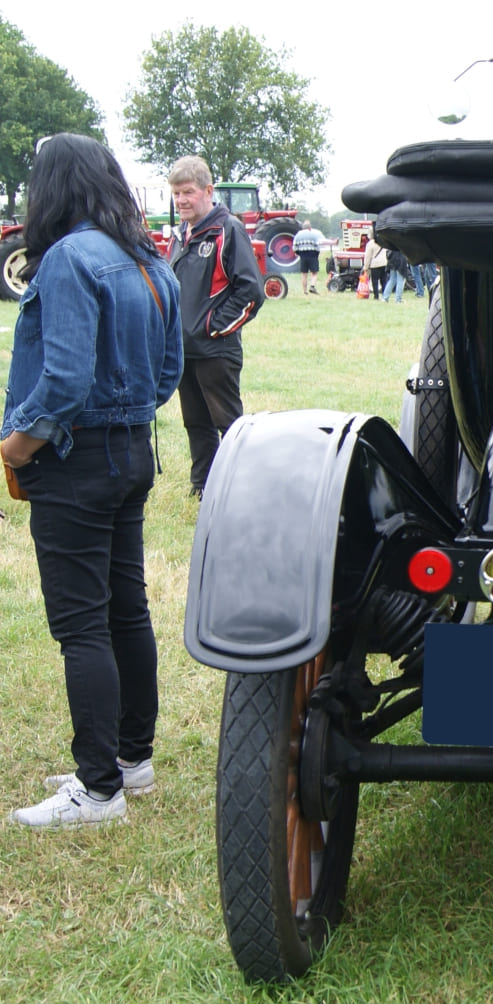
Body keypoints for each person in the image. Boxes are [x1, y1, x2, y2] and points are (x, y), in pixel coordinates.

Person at [1, 134, 183, 828]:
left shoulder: (71, 259)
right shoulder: (149, 260)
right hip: (133, 451)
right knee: (125, 610)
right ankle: (132, 760)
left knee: (81, 624)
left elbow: (65, 377)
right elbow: (170, 370)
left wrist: (16, 448)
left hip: (74, 460)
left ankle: (98, 789)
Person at [166, 155, 264, 497]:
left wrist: (212, 327)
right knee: (196, 423)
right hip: (184, 352)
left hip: (215, 350)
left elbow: (251, 291)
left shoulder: (228, 230)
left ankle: (240, 490)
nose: (181, 200)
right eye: (176, 193)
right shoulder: (182, 234)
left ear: (207, 190)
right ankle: (203, 488)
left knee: (229, 425)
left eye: (188, 192)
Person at [292, 220, 325, 294]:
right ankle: (312, 286)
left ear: (303, 228)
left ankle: (305, 291)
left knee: (304, 274)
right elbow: (317, 246)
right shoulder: (313, 234)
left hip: (303, 256)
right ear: (310, 227)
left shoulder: (298, 234)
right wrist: (317, 253)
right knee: (314, 273)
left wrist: (298, 253)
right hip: (312, 255)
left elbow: (294, 247)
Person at [361, 234, 388, 299]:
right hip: (384, 263)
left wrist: (365, 267)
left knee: (375, 281)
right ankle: (384, 294)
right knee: (384, 280)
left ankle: (376, 296)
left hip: (375, 264)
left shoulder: (370, 244)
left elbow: (368, 256)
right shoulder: (383, 241)